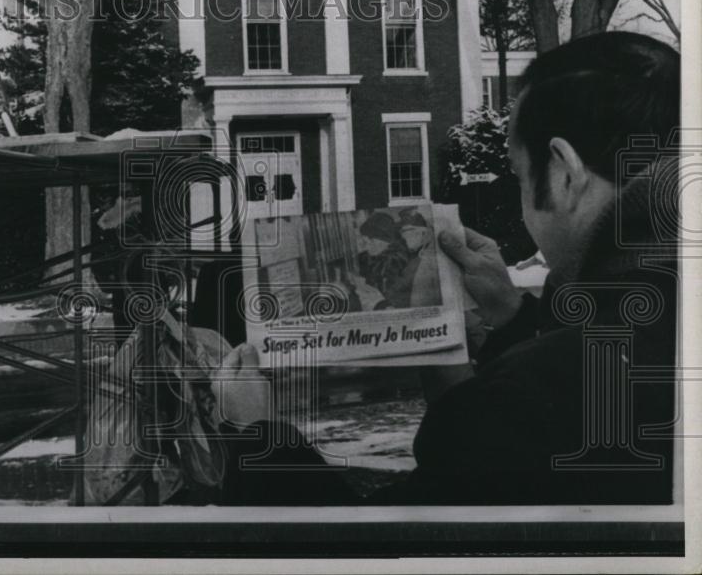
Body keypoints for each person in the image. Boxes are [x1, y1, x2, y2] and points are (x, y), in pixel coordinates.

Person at [214, 32, 680, 505]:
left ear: (563, 172)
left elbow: (369, 554)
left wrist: (258, 434)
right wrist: (513, 318)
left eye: (518, 175)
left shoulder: (535, 396)